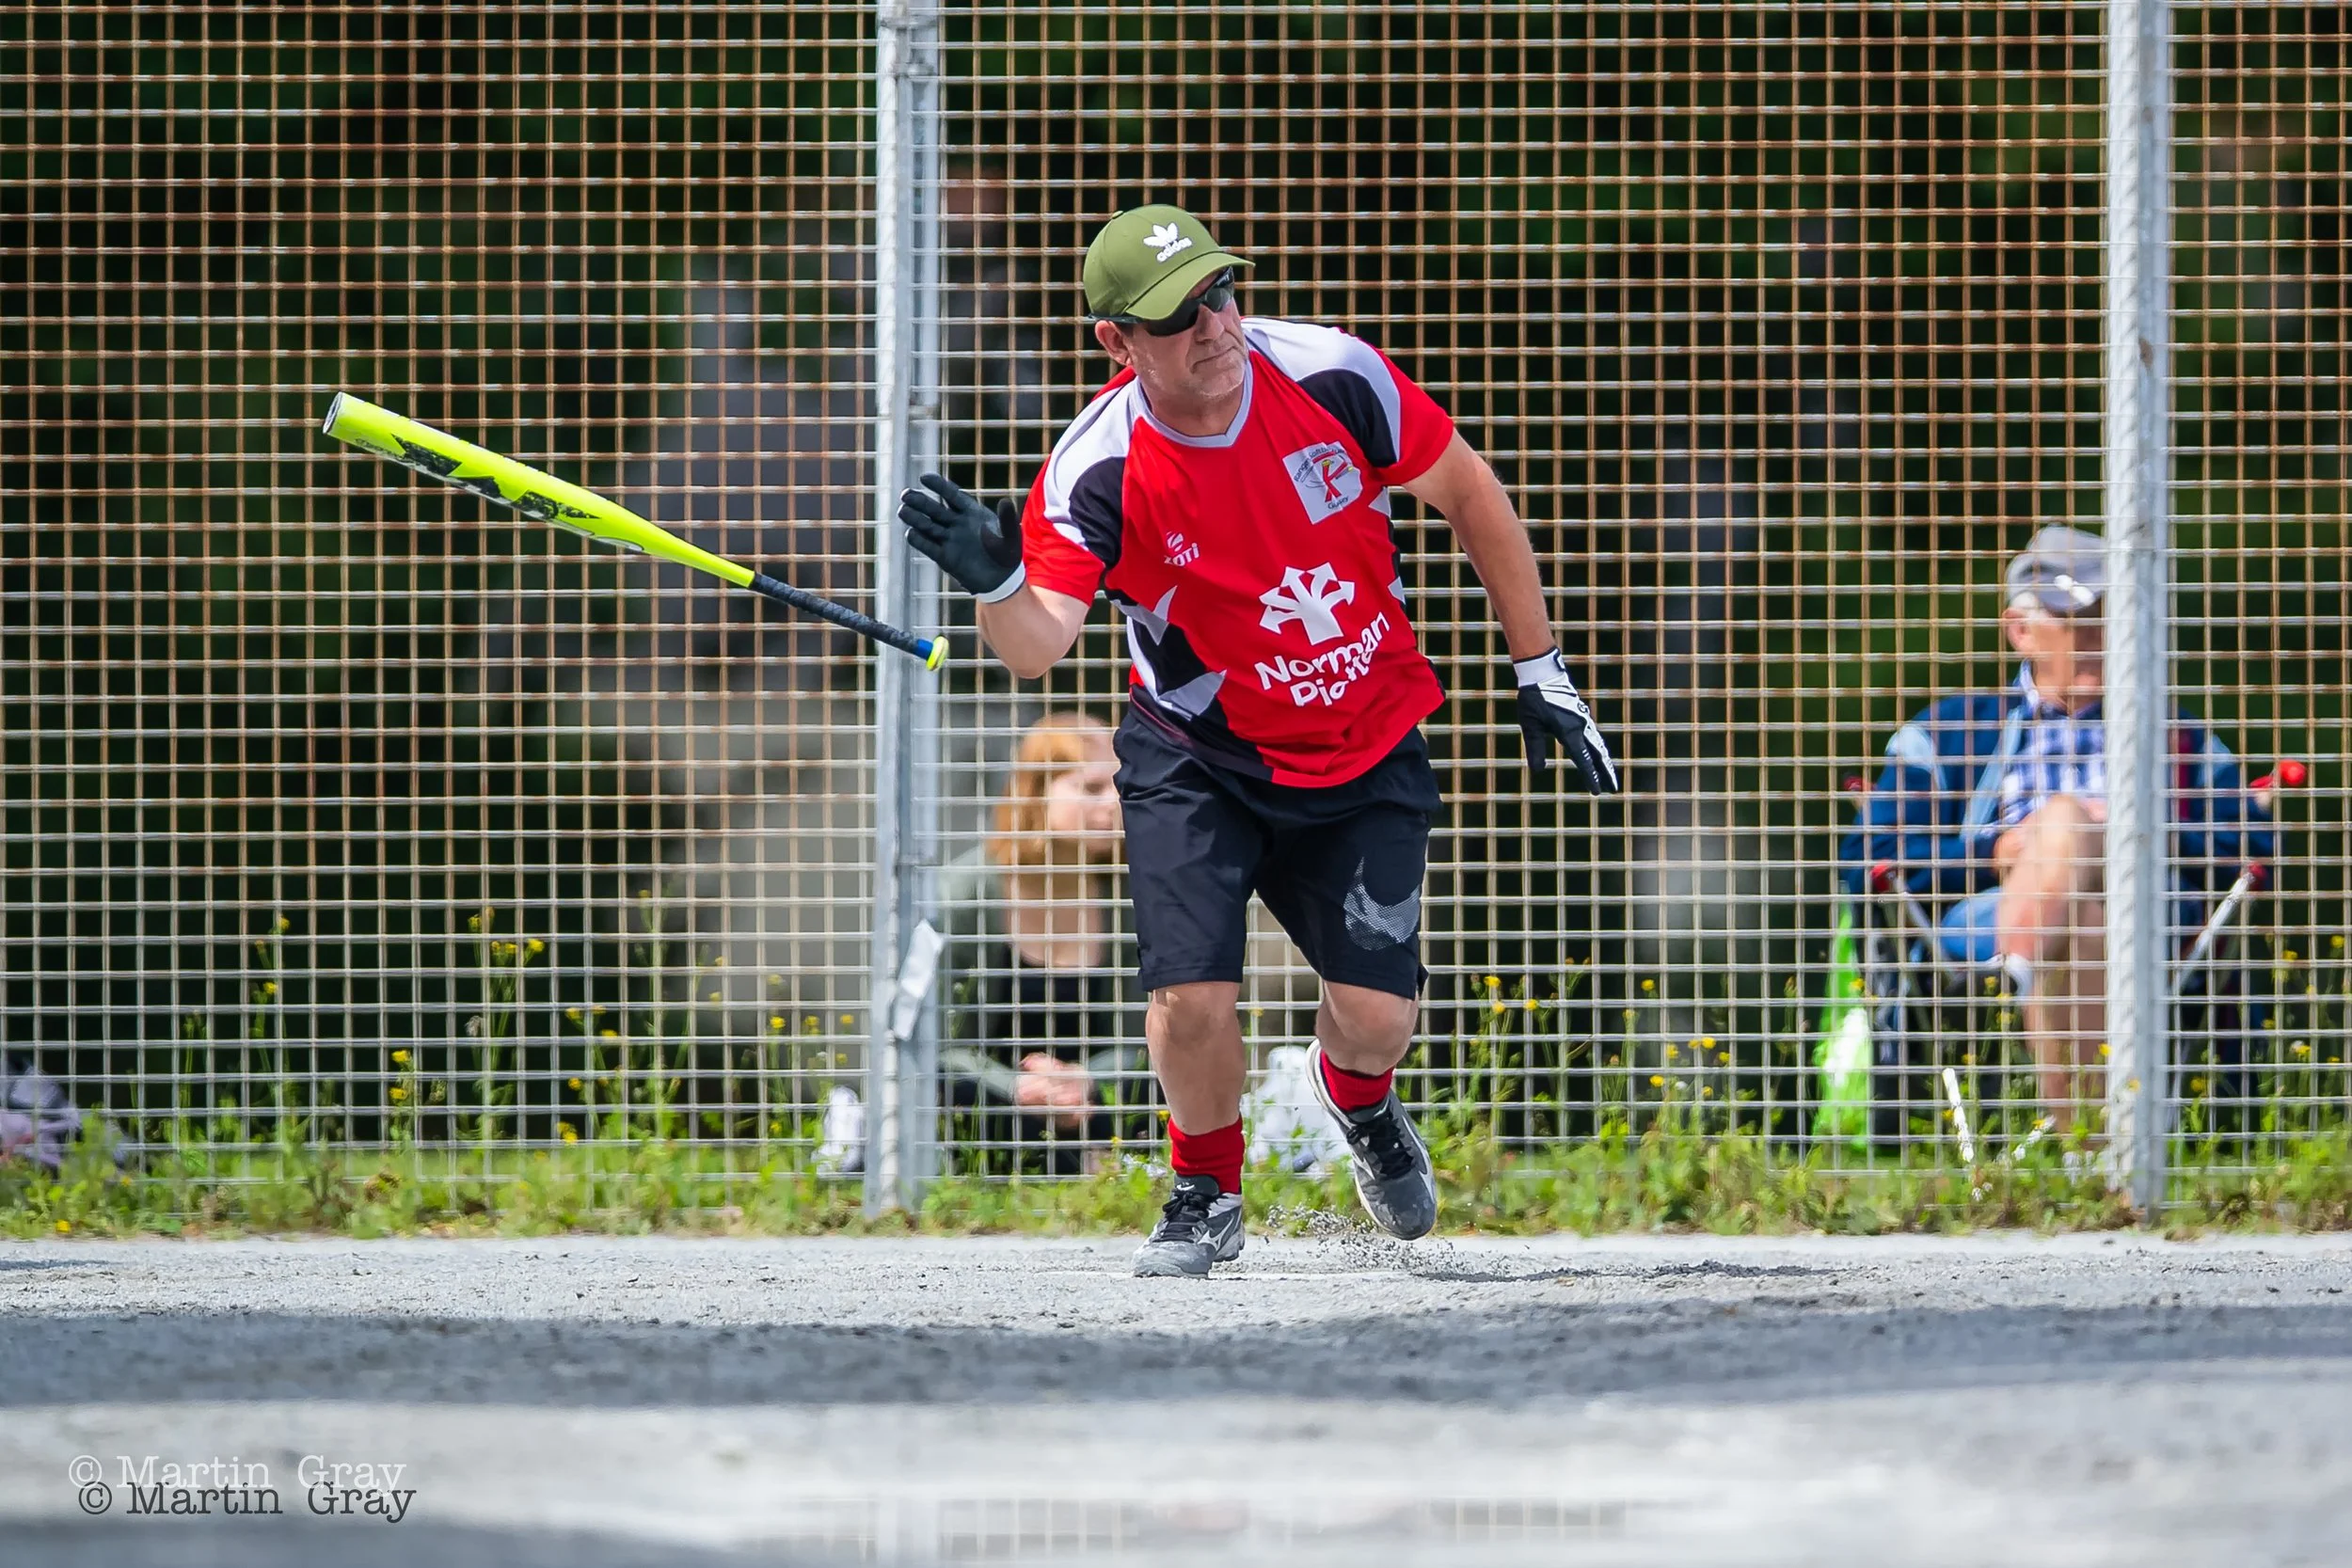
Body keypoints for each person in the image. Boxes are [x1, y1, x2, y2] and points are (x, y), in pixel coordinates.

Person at [898, 204, 1618, 1275]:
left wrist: (1540, 668)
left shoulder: (1330, 375)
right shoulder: (1097, 465)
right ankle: (1202, 1191)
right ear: (1117, 341)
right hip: (1199, 754)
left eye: (1218, 293)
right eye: (1175, 316)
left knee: (1375, 1020)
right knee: (1191, 995)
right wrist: (1000, 577)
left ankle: (1360, 1103)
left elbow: (1469, 492)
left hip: (1365, 739)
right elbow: (1036, 646)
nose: (1213, 324)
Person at [1842, 526, 2274, 1131]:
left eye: (2110, 624)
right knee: (2079, 881)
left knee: (2072, 832)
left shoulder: (2179, 738)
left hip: (2150, 907)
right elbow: (1872, 856)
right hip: (1989, 911)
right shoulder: (1948, 733)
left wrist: (2136, 836)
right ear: (2021, 631)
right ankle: (2097, 1145)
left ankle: (2022, 972)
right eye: (2080, 625)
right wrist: (1996, 849)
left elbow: (2250, 848)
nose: (2100, 642)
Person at [936, 713, 1146, 1174]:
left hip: (1097, 1107)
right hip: (993, 1110)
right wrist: (1019, 1088)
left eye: (1119, 786)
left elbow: (1145, 1036)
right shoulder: (966, 893)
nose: (1113, 803)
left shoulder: (1130, 895)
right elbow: (942, 1045)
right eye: (1091, 789)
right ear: (1036, 793)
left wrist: (1083, 1080)